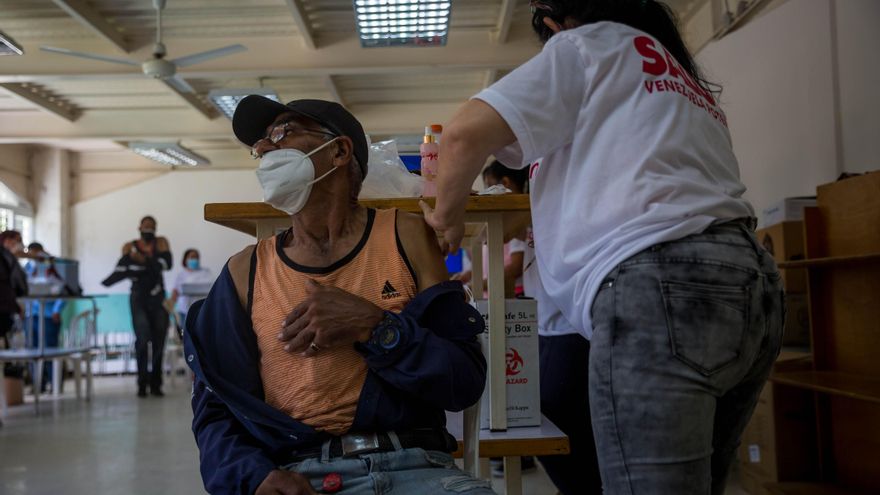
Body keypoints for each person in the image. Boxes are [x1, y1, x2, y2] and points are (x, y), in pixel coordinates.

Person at [422, 1, 784, 493]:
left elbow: (463, 135)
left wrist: (446, 220)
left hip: (659, 286)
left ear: (556, 23)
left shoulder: (586, 44)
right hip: (753, 281)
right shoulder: (680, 79)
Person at [185, 96, 492, 495]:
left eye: (282, 132)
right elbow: (215, 407)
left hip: (418, 466)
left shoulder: (406, 236)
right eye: (260, 144)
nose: (264, 148)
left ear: (339, 151)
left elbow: (463, 381)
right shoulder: (245, 271)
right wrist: (254, 475)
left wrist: (375, 326)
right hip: (303, 476)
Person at [121, 216, 172, 398]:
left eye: (152, 227)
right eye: (146, 226)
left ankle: (156, 384)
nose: (148, 230)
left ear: (156, 228)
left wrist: (143, 260)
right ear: (139, 228)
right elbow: (125, 268)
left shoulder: (161, 243)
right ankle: (142, 384)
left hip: (158, 298)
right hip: (138, 298)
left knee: (159, 341)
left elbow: (167, 264)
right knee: (142, 340)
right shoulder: (129, 246)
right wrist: (147, 261)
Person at [24, 242, 65, 393]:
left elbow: (64, 289)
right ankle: (38, 385)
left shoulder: (54, 265)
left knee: (50, 350)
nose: (34, 255)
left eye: (37, 252)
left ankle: (55, 384)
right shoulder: (28, 267)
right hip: (31, 315)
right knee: (32, 350)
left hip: (49, 315)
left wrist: (57, 310)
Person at [169, 248, 213, 330]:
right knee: (184, 332)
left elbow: (211, 289)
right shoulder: (180, 275)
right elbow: (175, 292)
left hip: (201, 309)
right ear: (185, 259)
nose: (194, 259)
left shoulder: (205, 273)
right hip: (184, 310)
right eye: (192, 257)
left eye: (196, 257)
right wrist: (168, 309)